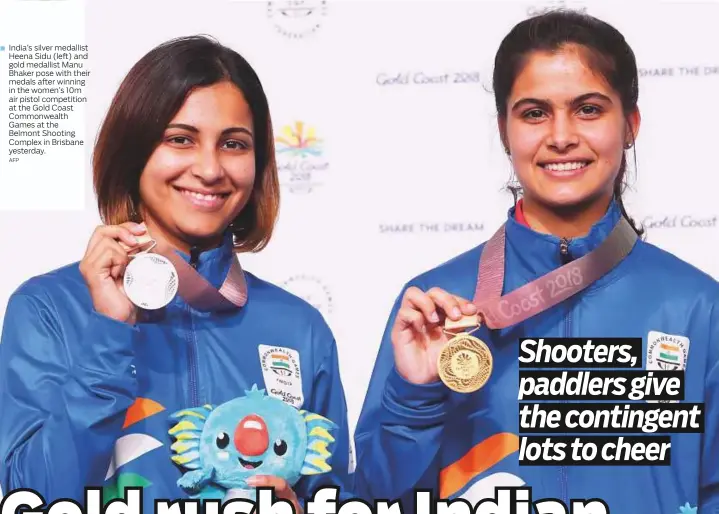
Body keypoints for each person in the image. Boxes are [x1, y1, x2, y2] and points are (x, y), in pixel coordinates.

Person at [353, 9, 718, 514]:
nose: (562, 136)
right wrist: (414, 398)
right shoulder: (437, 306)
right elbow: (374, 501)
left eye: (588, 109)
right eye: (534, 113)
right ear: (504, 130)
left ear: (630, 124)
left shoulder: (697, 307)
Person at [0, 36, 351, 511]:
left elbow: (333, 496)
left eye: (233, 144)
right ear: (133, 151)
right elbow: (31, 498)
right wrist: (108, 333)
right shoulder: (49, 309)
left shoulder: (298, 327)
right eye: (180, 139)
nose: (209, 169)